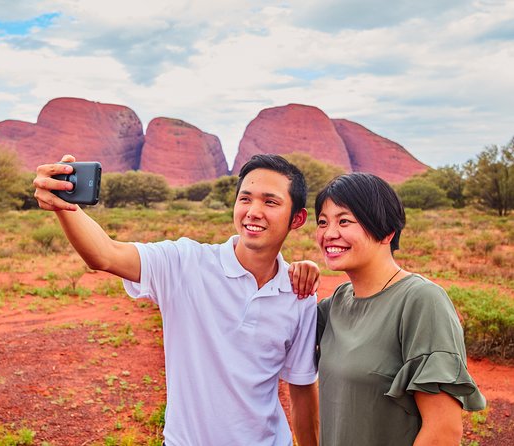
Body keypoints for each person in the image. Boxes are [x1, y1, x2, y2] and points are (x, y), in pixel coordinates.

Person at [34, 153, 320, 446]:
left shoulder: (299, 294)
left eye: (270, 202)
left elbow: (301, 387)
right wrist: (65, 206)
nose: (253, 211)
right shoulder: (185, 263)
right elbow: (105, 254)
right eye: (245, 199)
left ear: (296, 218)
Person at [313, 173, 486, 446]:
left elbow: (443, 432)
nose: (329, 233)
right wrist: (291, 272)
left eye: (344, 220)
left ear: (386, 232)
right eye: (323, 222)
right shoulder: (336, 303)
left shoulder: (421, 301)